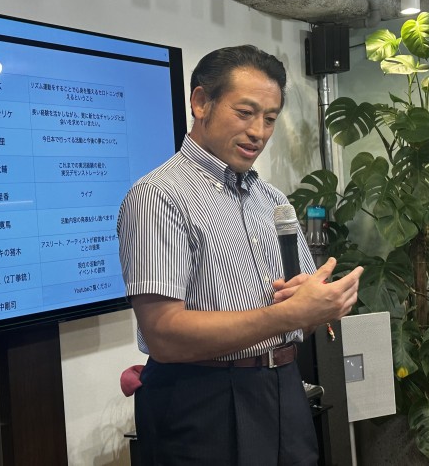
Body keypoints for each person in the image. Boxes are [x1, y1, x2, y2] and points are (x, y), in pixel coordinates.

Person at [117, 45, 362, 465]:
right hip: (203, 401)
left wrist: (320, 304)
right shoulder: (159, 196)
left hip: (285, 389)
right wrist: (287, 315)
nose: (258, 132)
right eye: (245, 112)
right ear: (200, 102)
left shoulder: (272, 200)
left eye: (269, 118)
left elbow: (297, 314)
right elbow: (163, 334)